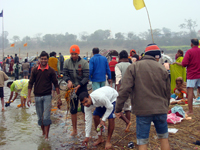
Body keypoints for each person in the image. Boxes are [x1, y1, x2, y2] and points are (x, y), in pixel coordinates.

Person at [115, 43, 171, 150]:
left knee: (142, 142)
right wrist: (165, 106)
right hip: (161, 109)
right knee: (164, 139)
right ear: (157, 57)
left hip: (142, 110)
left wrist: (118, 108)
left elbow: (124, 89)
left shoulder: (134, 67)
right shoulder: (162, 69)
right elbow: (167, 91)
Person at [27, 51, 61, 140]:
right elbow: (30, 83)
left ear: (47, 60)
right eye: (42, 59)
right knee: (40, 118)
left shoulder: (51, 70)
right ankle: (43, 132)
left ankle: (46, 137)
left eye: (45, 59)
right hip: (37, 96)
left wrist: (59, 98)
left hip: (47, 96)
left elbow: (56, 84)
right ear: (39, 59)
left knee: (46, 117)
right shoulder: (35, 70)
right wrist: (28, 97)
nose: (43, 60)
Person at [63, 45, 89, 136]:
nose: (74, 55)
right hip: (72, 89)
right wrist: (68, 81)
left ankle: (87, 129)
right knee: (73, 109)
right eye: (72, 54)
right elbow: (64, 74)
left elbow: (86, 76)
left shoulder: (84, 63)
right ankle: (74, 130)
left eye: (75, 54)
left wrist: (79, 85)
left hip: (82, 88)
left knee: (84, 108)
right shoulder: (66, 62)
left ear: (78, 53)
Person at [182, 39, 200, 114]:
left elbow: (184, 63)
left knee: (190, 91)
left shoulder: (189, 52)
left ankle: (190, 110)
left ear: (191, 44)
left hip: (192, 74)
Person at [115, 50, 132, 132]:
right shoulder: (131, 65)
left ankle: (127, 122)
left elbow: (118, 78)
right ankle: (127, 126)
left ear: (119, 57)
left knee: (118, 109)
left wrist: (118, 91)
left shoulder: (118, 66)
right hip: (130, 88)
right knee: (127, 108)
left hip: (122, 88)